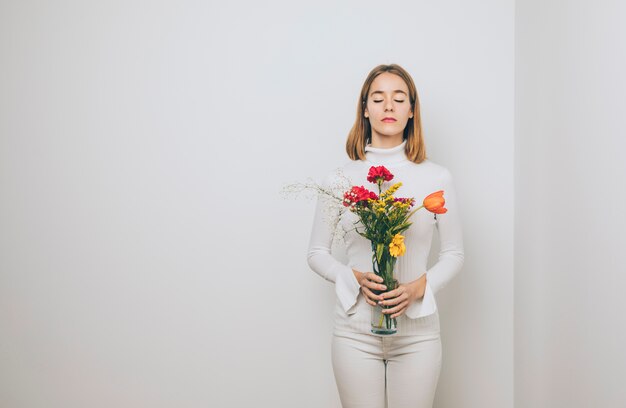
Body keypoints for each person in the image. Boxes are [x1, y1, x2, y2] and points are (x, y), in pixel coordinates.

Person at [306, 64, 465, 408]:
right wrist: (350, 277)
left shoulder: (436, 177)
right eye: (378, 98)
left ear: (411, 110)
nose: (388, 106)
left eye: (399, 98)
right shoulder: (339, 178)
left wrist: (418, 288)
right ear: (365, 109)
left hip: (418, 335)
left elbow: (454, 254)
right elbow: (317, 252)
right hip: (354, 332)